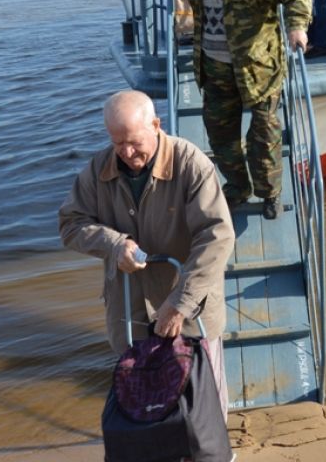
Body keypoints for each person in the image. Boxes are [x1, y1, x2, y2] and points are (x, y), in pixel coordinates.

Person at [58, 90, 235, 415]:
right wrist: (113, 244)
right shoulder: (98, 169)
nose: (125, 152)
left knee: (204, 400)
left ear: (156, 124)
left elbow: (217, 236)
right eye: (117, 142)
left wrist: (179, 304)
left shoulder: (191, 163)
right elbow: (70, 225)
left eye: (134, 142)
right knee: (144, 401)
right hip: (130, 311)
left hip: (190, 307)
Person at [186, 0, 311, 219]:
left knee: (263, 135)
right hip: (215, 68)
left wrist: (296, 27)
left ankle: (270, 193)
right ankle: (238, 187)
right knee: (220, 135)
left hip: (258, 68)